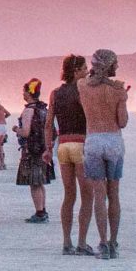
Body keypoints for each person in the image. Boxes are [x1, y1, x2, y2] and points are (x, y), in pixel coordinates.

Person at [79, 49, 128, 260]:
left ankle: (103, 242)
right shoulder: (118, 90)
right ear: (110, 66)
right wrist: (122, 97)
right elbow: (123, 122)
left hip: (93, 141)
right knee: (113, 193)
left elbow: (86, 81)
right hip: (113, 140)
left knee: (99, 194)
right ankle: (114, 242)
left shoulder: (82, 86)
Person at [49, 55, 94, 255]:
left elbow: (48, 122)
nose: (87, 71)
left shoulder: (55, 93)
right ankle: (82, 243)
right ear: (76, 71)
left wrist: (46, 147)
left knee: (69, 195)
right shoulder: (83, 90)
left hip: (63, 145)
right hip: (81, 144)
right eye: (84, 68)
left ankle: (66, 242)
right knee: (87, 195)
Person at [15, 79, 52, 224]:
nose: (22, 94)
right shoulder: (43, 109)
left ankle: (40, 212)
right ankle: (43, 209)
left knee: (34, 183)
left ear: (27, 93)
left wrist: (16, 130)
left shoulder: (29, 110)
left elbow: (25, 132)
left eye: (23, 91)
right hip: (43, 148)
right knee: (40, 182)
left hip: (32, 150)